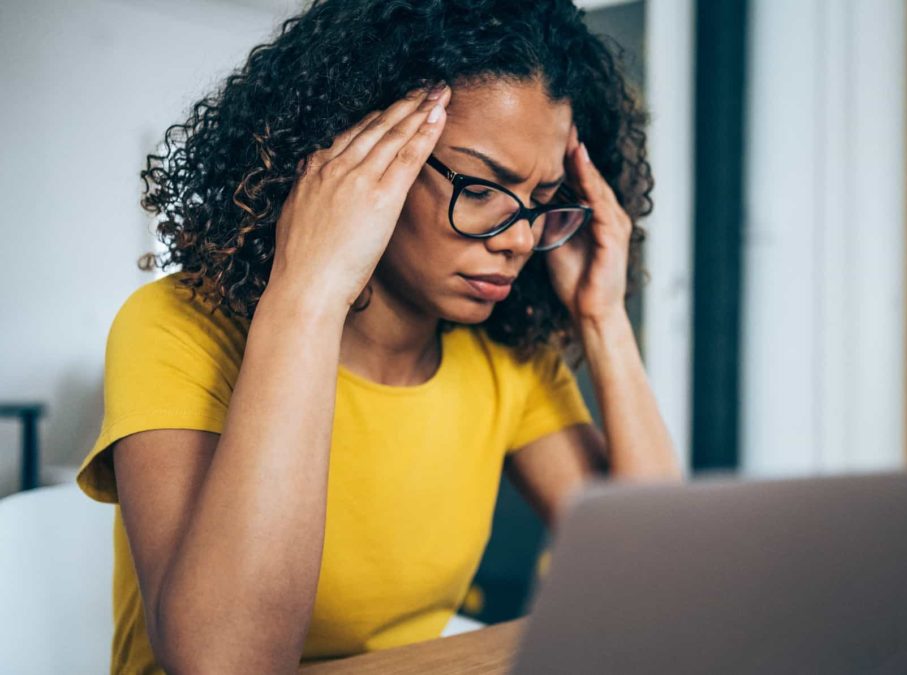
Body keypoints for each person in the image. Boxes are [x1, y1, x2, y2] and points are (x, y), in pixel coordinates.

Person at [74, 1, 680, 671]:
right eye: (481, 186)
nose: (519, 239)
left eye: (541, 202)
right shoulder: (177, 327)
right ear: (354, 159)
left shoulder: (510, 361)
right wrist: (306, 292)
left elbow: (659, 579)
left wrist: (604, 318)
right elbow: (225, 661)